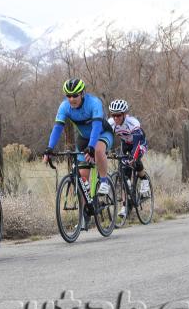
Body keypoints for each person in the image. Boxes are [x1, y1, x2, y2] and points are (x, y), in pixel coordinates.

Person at [42, 78, 114, 230]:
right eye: (68, 95)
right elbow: (57, 128)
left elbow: (96, 127)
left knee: (100, 150)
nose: (71, 99)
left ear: (82, 93)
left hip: (102, 133)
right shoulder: (64, 107)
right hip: (83, 138)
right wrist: (49, 148)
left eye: (75, 95)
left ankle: (104, 182)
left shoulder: (94, 103)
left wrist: (92, 147)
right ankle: (84, 215)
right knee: (81, 178)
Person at [107, 99, 150, 218]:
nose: (115, 118)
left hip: (139, 143)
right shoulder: (110, 123)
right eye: (113, 115)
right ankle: (125, 206)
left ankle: (144, 179)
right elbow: (105, 138)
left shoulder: (133, 123)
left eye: (118, 115)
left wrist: (133, 157)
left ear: (125, 114)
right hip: (125, 144)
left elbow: (136, 144)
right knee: (124, 177)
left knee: (135, 160)